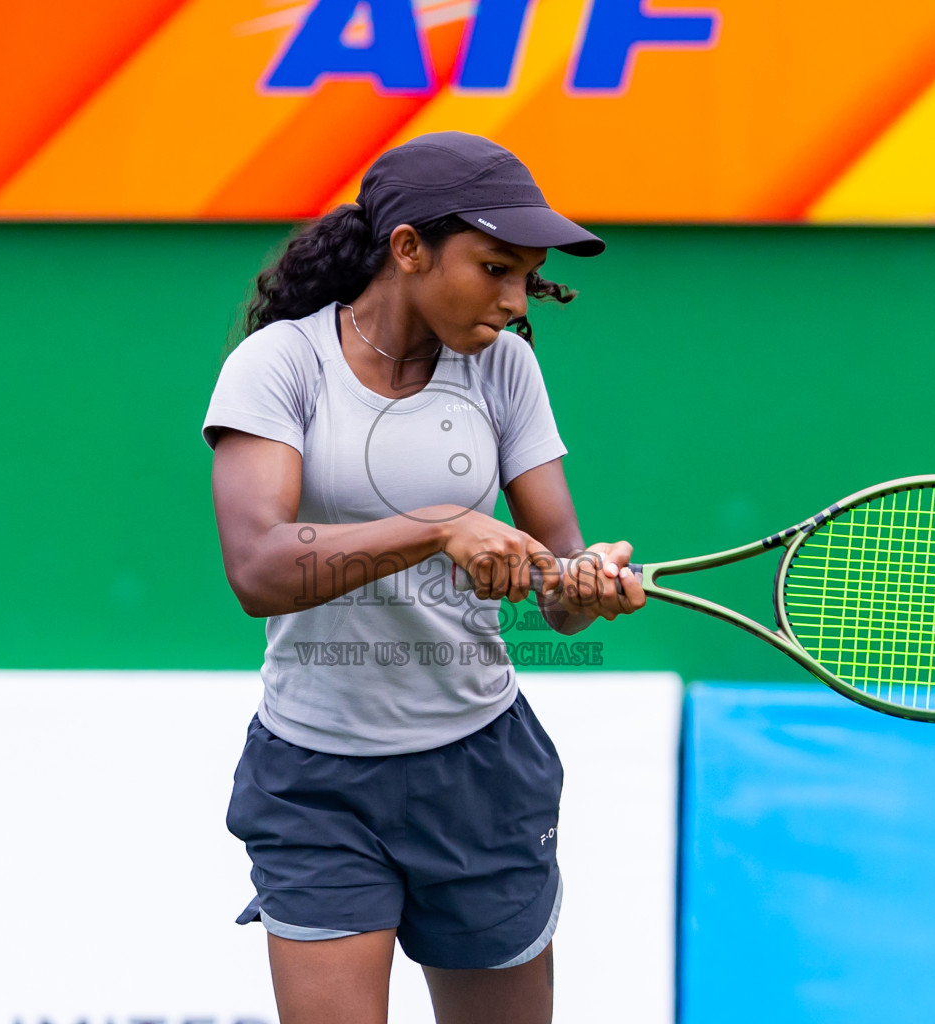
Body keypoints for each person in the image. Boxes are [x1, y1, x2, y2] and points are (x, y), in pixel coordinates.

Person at [203, 131, 645, 1024]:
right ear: (408, 248)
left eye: (527, 275)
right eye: (493, 268)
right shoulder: (280, 365)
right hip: (314, 780)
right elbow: (258, 569)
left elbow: (557, 584)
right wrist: (438, 528)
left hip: (480, 771)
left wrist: (585, 582)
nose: (514, 301)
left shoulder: (506, 369)